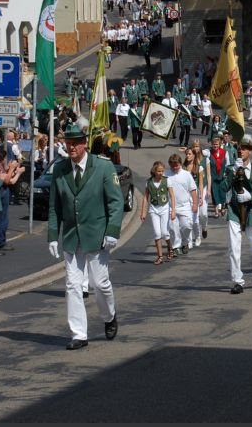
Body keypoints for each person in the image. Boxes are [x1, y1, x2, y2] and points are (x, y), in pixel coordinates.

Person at [47, 120, 124, 350]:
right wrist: (52, 235)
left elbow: (116, 202)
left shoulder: (103, 167)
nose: (71, 148)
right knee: (72, 284)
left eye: (75, 144)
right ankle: (79, 334)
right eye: (68, 143)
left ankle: (109, 316)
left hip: (97, 234)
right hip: (72, 235)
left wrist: (112, 231)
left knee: (100, 284)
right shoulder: (60, 170)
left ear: (84, 145)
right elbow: (54, 206)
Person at [221, 135, 252, 293]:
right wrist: (233, 171)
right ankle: (238, 281)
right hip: (235, 211)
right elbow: (224, 188)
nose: (241, 150)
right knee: (234, 249)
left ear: (250, 151)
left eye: (245, 148)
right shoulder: (230, 169)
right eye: (239, 148)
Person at [140, 161, 175, 265]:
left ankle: (170, 247)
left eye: (162, 171)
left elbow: (172, 196)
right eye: (159, 171)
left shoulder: (167, 181)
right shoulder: (149, 182)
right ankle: (160, 256)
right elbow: (145, 198)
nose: (161, 173)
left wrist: (173, 210)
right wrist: (143, 212)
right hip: (154, 209)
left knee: (165, 233)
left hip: (164, 208)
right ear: (154, 171)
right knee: (157, 233)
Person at [165, 153, 198, 257]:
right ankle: (176, 247)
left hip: (184, 206)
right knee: (173, 228)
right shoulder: (166, 175)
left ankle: (185, 242)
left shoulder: (186, 174)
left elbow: (193, 190)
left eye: (177, 165)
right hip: (171, 206)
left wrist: (195, 204)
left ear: (180, 164)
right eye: (173, 165)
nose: (175, 167)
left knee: (187, 226)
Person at [191, 140, 211, 242]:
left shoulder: (205, 159)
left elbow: (208, 175)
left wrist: (209, 189)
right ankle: (197, 236)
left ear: (200, 147)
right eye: (194, 146)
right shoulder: (190, 159)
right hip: (193, 190)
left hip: (203, 188)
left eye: (197, 146)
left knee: (203, 214)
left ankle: (204, 227)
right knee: (195, 214)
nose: (196, 148)